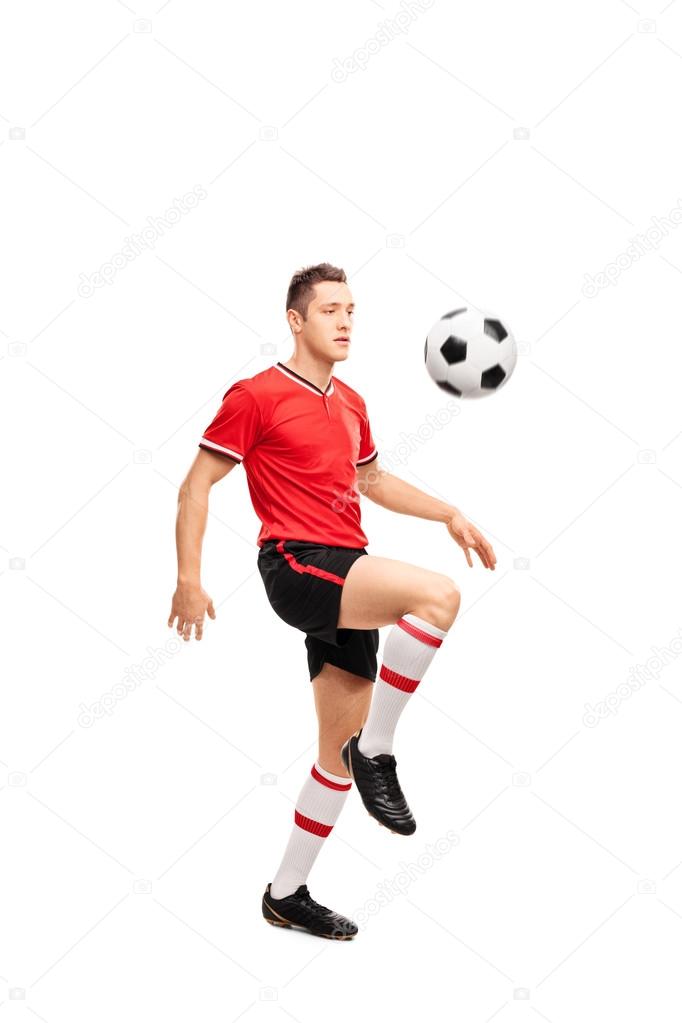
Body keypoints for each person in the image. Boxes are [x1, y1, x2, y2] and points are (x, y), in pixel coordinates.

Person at [168, 262, 496, 940]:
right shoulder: (255, 395)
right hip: (295, 561)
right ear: (296, 320)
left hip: (348, 570)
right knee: (438, 595)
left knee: (330, 755)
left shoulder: (350, 402)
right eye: (329, 310)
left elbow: (371, 479)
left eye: (351, 309)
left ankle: (286, 893)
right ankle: (379, 748)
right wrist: (190, 578)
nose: (345, 321)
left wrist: (448, 512)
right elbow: (196, 485)